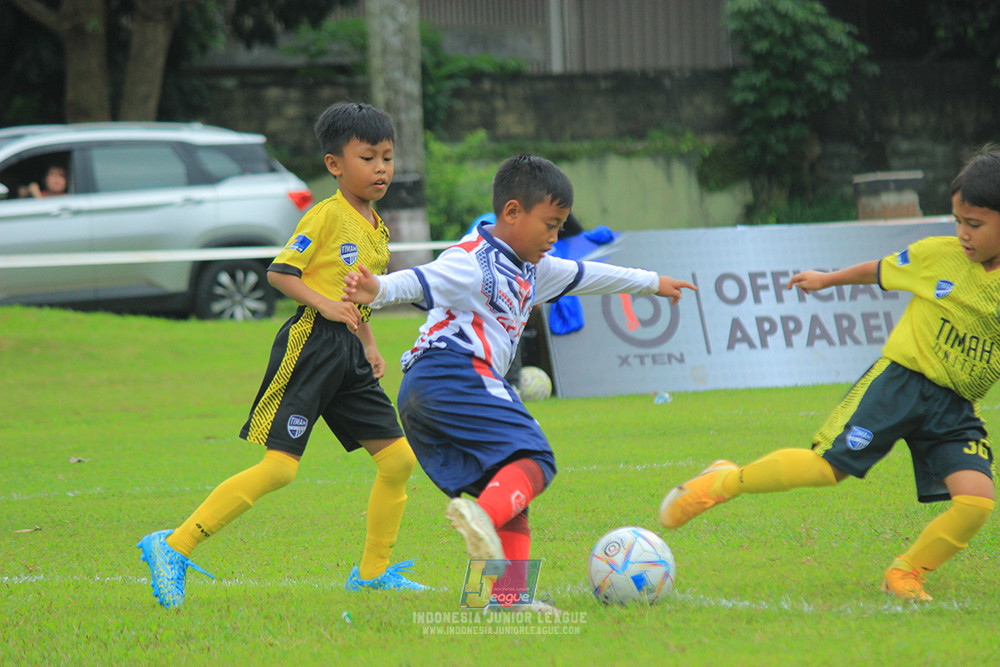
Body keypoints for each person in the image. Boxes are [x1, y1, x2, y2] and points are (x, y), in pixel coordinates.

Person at [342, 154, 696, 607]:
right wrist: (381, 289)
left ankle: (506, 600)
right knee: (536, 459)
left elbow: (592, 276)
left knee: (514, 495)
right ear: (512, 212)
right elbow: (422, 279)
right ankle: (481, 518)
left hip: (425, 393)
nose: (555, 237)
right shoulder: (472, 259)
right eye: (550, 224)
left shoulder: (534, 267)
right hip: (455, 373)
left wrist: (652, 282)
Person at [659, 146, 1000, 602]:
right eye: (956, 221)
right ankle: (721, 482)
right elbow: (880, 271)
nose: (961, 234)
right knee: (827, 469)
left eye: (973, 224)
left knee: (976, 502)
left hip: (954, 407)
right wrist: (827, 278)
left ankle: (905, 572)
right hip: (899, 384)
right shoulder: (939, 257)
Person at [136, 102, 427, 609]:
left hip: (349, 355)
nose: (381, 168)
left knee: (399, 460)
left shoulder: (375, 225)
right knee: (281, 468)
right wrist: (329, 309)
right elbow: (281, 273)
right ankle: (174, 544)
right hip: (312, 346)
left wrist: (369, 344)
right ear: (336, 165)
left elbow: (357, 295)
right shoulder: (327, 215)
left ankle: (374, 572)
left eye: (387, 156)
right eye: (368, 157)